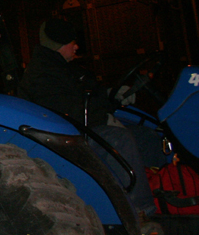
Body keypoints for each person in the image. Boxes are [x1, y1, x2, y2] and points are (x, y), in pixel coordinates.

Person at [19, 19, 157, 217]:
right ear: (58, 46)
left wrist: (113, 94)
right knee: (119, 140)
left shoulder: (67, 68)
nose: (76, 46)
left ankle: (170, 188)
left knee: (148, 136)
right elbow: (68, 111)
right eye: (71, 43)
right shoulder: (42, 75)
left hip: (83, 125)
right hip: (64, 136)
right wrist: (104, 117)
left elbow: (90, 93)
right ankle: (142, 213)